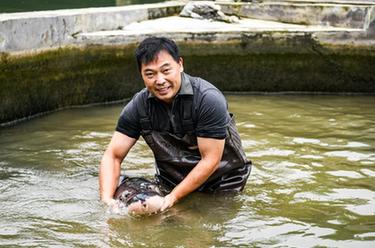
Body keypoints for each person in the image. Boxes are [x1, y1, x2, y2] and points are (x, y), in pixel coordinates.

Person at [99, 37, 251, 212]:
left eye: (166, 70)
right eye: (150, 74)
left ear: (180, 64)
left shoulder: (208, 99)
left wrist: (172, 198)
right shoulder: (138, 106)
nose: (160, 80)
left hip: (222, 186)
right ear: (141, 75)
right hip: (170, 182)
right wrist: (107, 202)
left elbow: (210, 160)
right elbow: (113, 156)